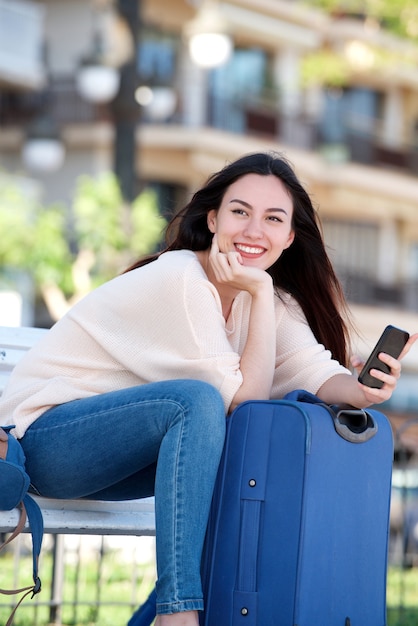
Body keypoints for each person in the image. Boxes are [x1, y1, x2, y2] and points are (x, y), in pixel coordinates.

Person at [0, 151, 416, 626]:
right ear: (214, 218)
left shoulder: (273, 302)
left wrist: (364, 389)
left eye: (273, 218)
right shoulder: (183, 278)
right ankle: (178, 614)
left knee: (237, 449)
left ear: (289, 237)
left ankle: (168, 613)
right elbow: (243, 402)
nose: (254, 230)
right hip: (46, 443)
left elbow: (314, 372)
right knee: (199, 402)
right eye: (240, 212)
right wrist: (258, 293)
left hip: (117, 457)